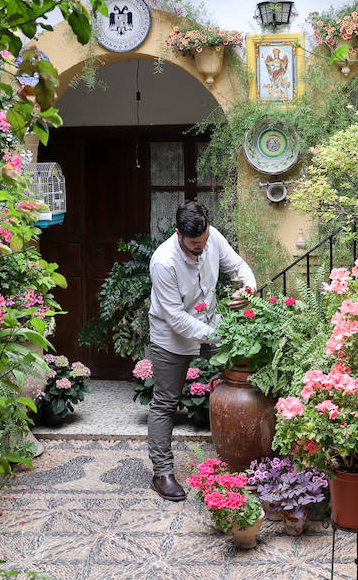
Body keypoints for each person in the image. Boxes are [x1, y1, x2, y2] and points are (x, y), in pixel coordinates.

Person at [146, 200, 256, 500]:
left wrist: (248, 288)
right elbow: (176, 318)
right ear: (178, 233)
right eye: (195, 244)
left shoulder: (212, 237)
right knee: (165, 403)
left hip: (212, 324)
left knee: (243, 382)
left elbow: (237, 266)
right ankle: (162, 473)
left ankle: (245, 459)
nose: (202, 247)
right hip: (172, 337)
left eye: (205, 240)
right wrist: (221, 333)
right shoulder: (163, 262)